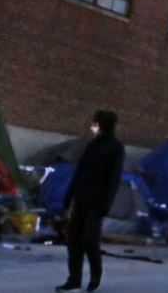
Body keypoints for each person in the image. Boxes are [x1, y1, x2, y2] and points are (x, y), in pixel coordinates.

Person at [57, 110, 125, 293]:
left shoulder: (116, 148)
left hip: (97, 202)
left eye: (96, 123)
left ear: (104, 124)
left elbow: (113, 178)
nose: (93, 126)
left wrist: (106, 203)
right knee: (73, 241)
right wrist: (69, 196)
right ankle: (74, 281)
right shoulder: (92, 145)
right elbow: (79, 172)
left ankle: (96, 274)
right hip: (81, 199)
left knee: (89, 239)